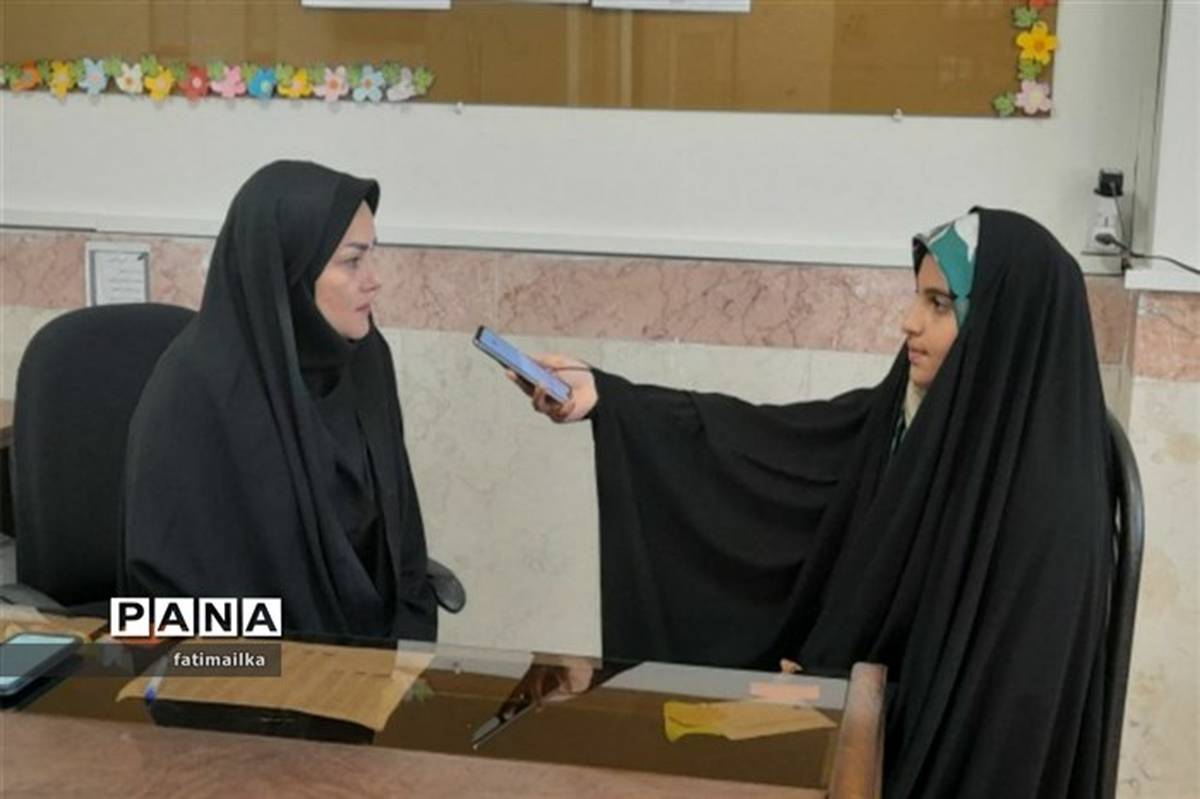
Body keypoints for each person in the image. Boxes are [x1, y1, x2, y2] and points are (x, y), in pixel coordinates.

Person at [515, 209, 1113, 797]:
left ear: (1002, 323)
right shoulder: (908, 419)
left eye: (939, 304)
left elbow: (998, 724)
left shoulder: (1049, 512)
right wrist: (613, 402)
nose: (908, 322)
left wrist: (833, 696)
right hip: (855, 718)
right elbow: (772, 447)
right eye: (917, 297)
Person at [122, 160, 437, 641]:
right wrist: (297, 665)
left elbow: (402, 545)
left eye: (372, 254)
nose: (374, 279)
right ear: (291, 270)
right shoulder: (194, 390)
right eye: (352, 261)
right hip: (233, 666)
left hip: (366, 656)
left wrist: (405, 653)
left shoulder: (365, 358)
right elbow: (162, 617)